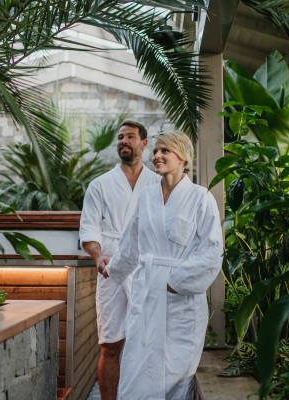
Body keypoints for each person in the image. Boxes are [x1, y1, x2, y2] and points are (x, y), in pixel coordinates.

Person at [99, 131, 224, 400]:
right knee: (137, 366)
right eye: (155, 151)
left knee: (175, 374)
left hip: (180, 302)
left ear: (182, 157)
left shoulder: (201, 199)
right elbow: (131, 245)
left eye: (165, 151)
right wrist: (112, 268)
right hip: (146, 296)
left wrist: (174, 283)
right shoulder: (146, 198)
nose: (156, 156)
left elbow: (212, 252)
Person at [79, 120, 161, 400]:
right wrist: (98, 254)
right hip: (111, 268)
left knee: (149, 343)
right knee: (110, 345)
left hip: (146, 266)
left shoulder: (158, 183)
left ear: (144, 144)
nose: (123, 141)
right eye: (120, 137)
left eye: (130, 137)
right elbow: (89, 228)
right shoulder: (100, 184)